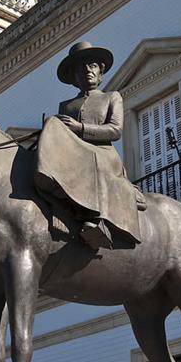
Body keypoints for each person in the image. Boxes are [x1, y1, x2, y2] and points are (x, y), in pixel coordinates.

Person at [34, 41, 144, 250]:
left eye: (92, 65)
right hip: (74, 153)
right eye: (81, 67)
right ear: (74, 76)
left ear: (100, 70)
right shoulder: (65, 106)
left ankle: (95, 218)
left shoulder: (111, 97)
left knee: (91, 162)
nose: (87, 70)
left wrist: (80, 128)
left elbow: (115, 130)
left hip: (102, 153)